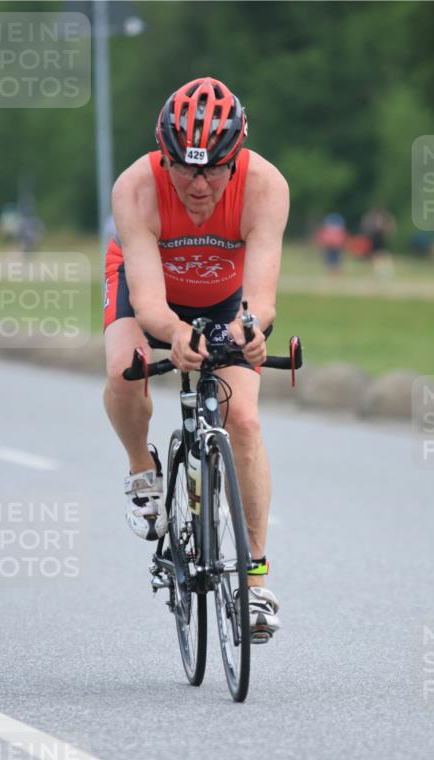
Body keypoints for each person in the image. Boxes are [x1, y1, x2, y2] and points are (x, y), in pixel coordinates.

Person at [102, 77, 289, 641]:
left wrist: (248, 333)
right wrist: (175, 334)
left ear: (236, 158)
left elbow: (262, 297)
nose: (199, 183)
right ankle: (142, 471)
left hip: (228, 298)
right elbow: (153, 303)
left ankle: (254, 584)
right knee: (125, 367)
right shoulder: (136, 187)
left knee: (247, 420)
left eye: (213, 168)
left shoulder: (265, 186)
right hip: (149, 291)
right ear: (165, 155)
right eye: (184, 167)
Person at [359, 207, 396, 277]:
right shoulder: (377, 219)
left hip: (378, 239)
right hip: (375, 239)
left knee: (379, 255)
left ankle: (381, 271)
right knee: (377, 256)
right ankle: (378, 271)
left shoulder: (374, 219)